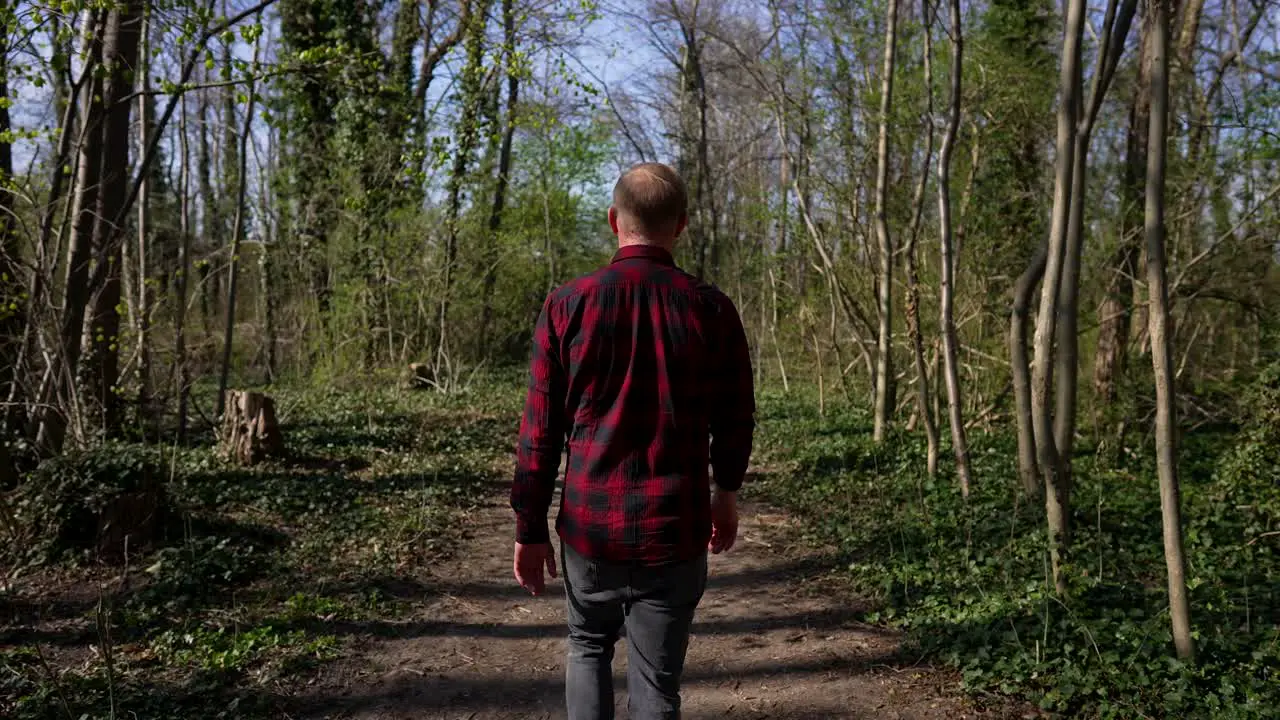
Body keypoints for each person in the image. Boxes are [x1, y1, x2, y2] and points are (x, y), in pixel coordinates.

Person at [510, 162, 756, 720]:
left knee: (587, 646)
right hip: (675, 527)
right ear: (682, 225)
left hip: (590, 528)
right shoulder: (711, 309)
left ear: (612, 220)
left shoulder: (568, 305)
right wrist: (726, 493)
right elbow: (736, 416)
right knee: (657, 684)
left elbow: (540, 432)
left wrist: (529, 528)